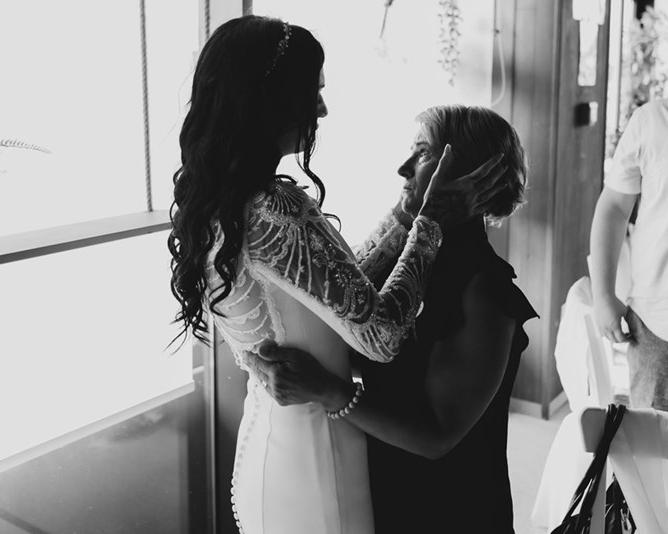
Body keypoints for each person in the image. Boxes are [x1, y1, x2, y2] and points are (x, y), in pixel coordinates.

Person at [168, 16, 506, 534]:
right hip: (317, 454)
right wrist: (429, 223)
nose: (321, 109)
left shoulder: (218, 200)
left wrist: (405, 214)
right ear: (274, 99)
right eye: (313, 93)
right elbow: (377, 331)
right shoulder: (275, 208)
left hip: (271, 435)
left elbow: (336, 296)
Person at [245, 105, 536, 533]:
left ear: (467, 175)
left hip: (453, 514)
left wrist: (328, 391)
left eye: (421, 154)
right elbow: (351, 323)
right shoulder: (419, 264)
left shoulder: (486, 291)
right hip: (394, 497)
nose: (402, 168)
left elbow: (436, 435)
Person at [590, 99, 668, 407]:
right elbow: (613, 207)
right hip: (656, 325)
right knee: (653, 448)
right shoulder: (650, 121)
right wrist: (603, 294)